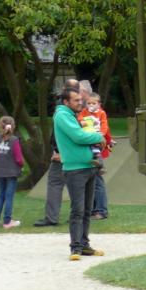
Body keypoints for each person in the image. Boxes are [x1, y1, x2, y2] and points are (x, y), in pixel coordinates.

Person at [54, 86, 107, 261]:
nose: (80, 102)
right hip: (75, 169)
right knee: (77, 209)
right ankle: (75, 248)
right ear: (66, 102)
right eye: (76, 100)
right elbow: (78, 136)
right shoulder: (62, 115)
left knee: (86, 210)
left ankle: (84, 245)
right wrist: (99, 138)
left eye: (80, 99)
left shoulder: (74, 115)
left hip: (89, 166)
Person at [34, 78, 82, 227]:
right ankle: (78, 216)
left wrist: (59, 153)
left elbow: (67, 135)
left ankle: (53, 217)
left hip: (64, 156)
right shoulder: (77, 110)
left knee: (56, 184)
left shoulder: (62, 112)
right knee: (77, 187)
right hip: (74, 156)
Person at [0, 115, 24, 229]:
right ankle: (7, 221)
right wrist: (21, 165)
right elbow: (18, 158)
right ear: (13, 126)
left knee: (1, 195)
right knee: (9, 196)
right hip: (11, 172)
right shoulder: (14, 140)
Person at [83, 93, 114, 219]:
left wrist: (99, 135)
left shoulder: (101, 113)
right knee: (91, 181)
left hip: (96, 140)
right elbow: (80, 122)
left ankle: (101, 210)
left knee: (97, 180)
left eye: (93, 103)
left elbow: (105, 127)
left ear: (99, 104)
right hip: (88, 140)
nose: (91, 105)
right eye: (88, 103)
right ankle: (92, 209)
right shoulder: (84, 113)